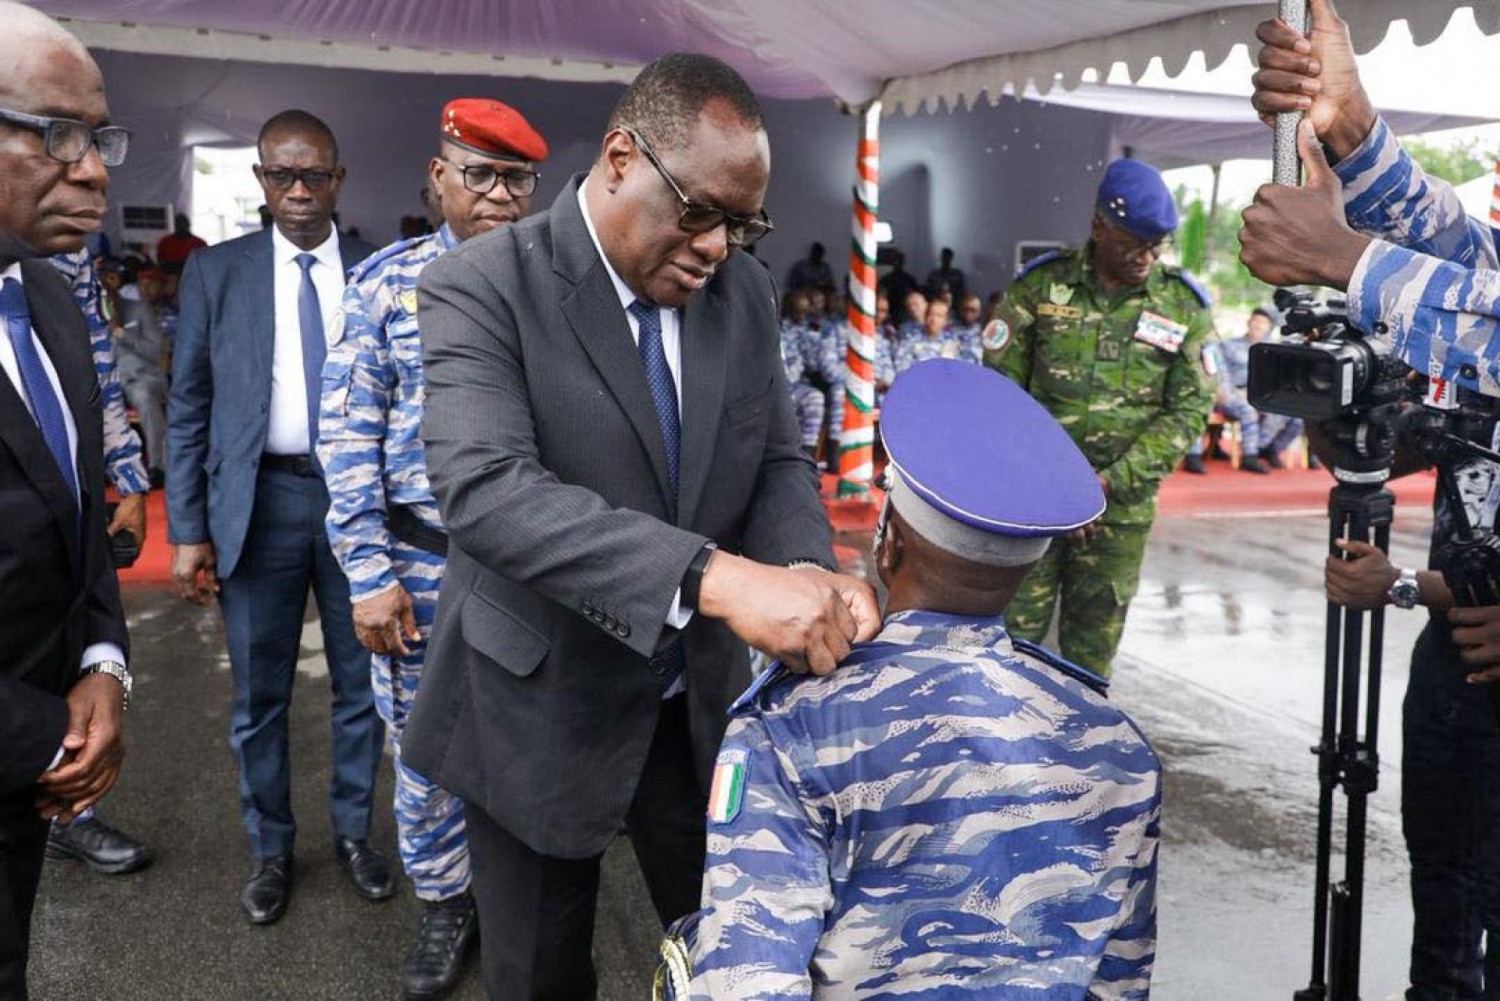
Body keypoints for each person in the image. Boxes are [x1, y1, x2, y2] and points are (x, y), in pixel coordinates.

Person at [401, 51, 880, 1000]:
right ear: (620, 157)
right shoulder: (484, 284)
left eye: (744, 225)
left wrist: (806, 570)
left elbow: (777, 456)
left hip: (691, 707)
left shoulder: (740, 292)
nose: (717, 247)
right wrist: (719, 578)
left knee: (727, 956)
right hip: (536, 705)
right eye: (702, 212)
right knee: (539, 974)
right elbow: (487, 489)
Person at [678, 359, 1159, 999]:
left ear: (889, 543)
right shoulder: (1119, 747)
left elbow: (747, 983)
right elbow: (1120, 981)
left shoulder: (790, 730)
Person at [1248, 0, 1500, 994]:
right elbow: (1473, 266)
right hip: (1462, 668)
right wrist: (1351, 128)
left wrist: (1347, 262)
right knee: (1444, 919)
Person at [318, 96, 547, 1000]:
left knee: (530, 730)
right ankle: (446, 900)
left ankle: (520, 892)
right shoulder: (385, 285)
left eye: (515, 176)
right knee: (425, 742)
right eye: (478, 173)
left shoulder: (558, 284)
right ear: (438, 178)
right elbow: (347, 438)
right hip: (421, 559)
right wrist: (369, 576)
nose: (497, 192)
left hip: (530, 561)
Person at [166, 109, 387, 927]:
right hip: (258, 504)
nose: (299, 191)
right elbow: (188, 404)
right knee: (260, 694)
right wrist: (188, 527)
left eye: (315, 175)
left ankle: (356, 834)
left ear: (339, 178)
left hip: (358, 505)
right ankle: (270, 849)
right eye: (282, 176)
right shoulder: (217, 273)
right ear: (260, 181)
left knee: (362, 684)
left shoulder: (375, 271)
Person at [0, 4, 133, 994]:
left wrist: (100, 660)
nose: (91, 168)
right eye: (57, 135)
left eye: (96, 138)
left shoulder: (47, 296)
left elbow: (79, 505)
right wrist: (40, 733)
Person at [985, 157, 1214, 677]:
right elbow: (1000, 395)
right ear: (1098, 226)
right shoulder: (1041, 288)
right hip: (1032, 505)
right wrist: (1054, 483)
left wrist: (1106, 484)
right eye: (1135, 240)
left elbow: (1188, 409)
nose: (1147, 255)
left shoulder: (1181, 305)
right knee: (1010, 647)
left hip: (1118, 514)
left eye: (1157, 244)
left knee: (1090, 662)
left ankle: (1077, 756)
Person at [41, 249, 153, 875]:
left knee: (66, 645)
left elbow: (97, 364)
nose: (86, 176)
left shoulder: (67, 251)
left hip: (60, 481)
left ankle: (66, 811)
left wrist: (129, 483)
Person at [1183, 305, 1276, 475]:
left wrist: (1223, 390)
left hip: (1222, 392)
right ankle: (1192, 456)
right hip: (1195, 392)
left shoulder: (1213, 343)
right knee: (1195, 408)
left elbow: (1219, 368)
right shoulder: (1188, 340)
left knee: (1249, 409)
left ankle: (1250, 456)